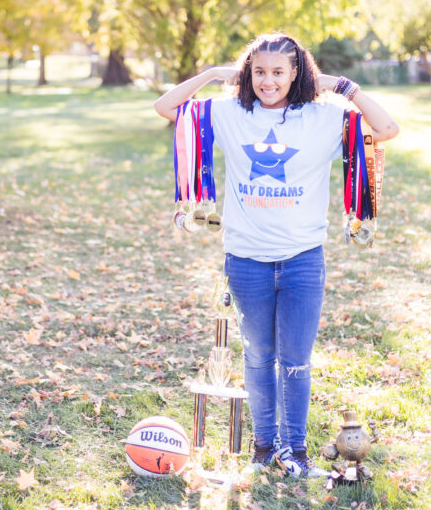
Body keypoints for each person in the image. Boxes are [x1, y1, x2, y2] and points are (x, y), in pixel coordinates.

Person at [153, 33, 400, 478]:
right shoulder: (231, 112)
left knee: (295, 360)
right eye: (259, 71)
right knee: (257, 356)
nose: (268, 81)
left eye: (279, 72)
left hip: (303, 259)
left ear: (296, 72)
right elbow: (166, 108)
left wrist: (343, 86)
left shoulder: (324, 118)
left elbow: (386, 129)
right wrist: (212, 74)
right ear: (248, 72)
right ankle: (264, 446)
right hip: (246, 258)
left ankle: (296, 450)